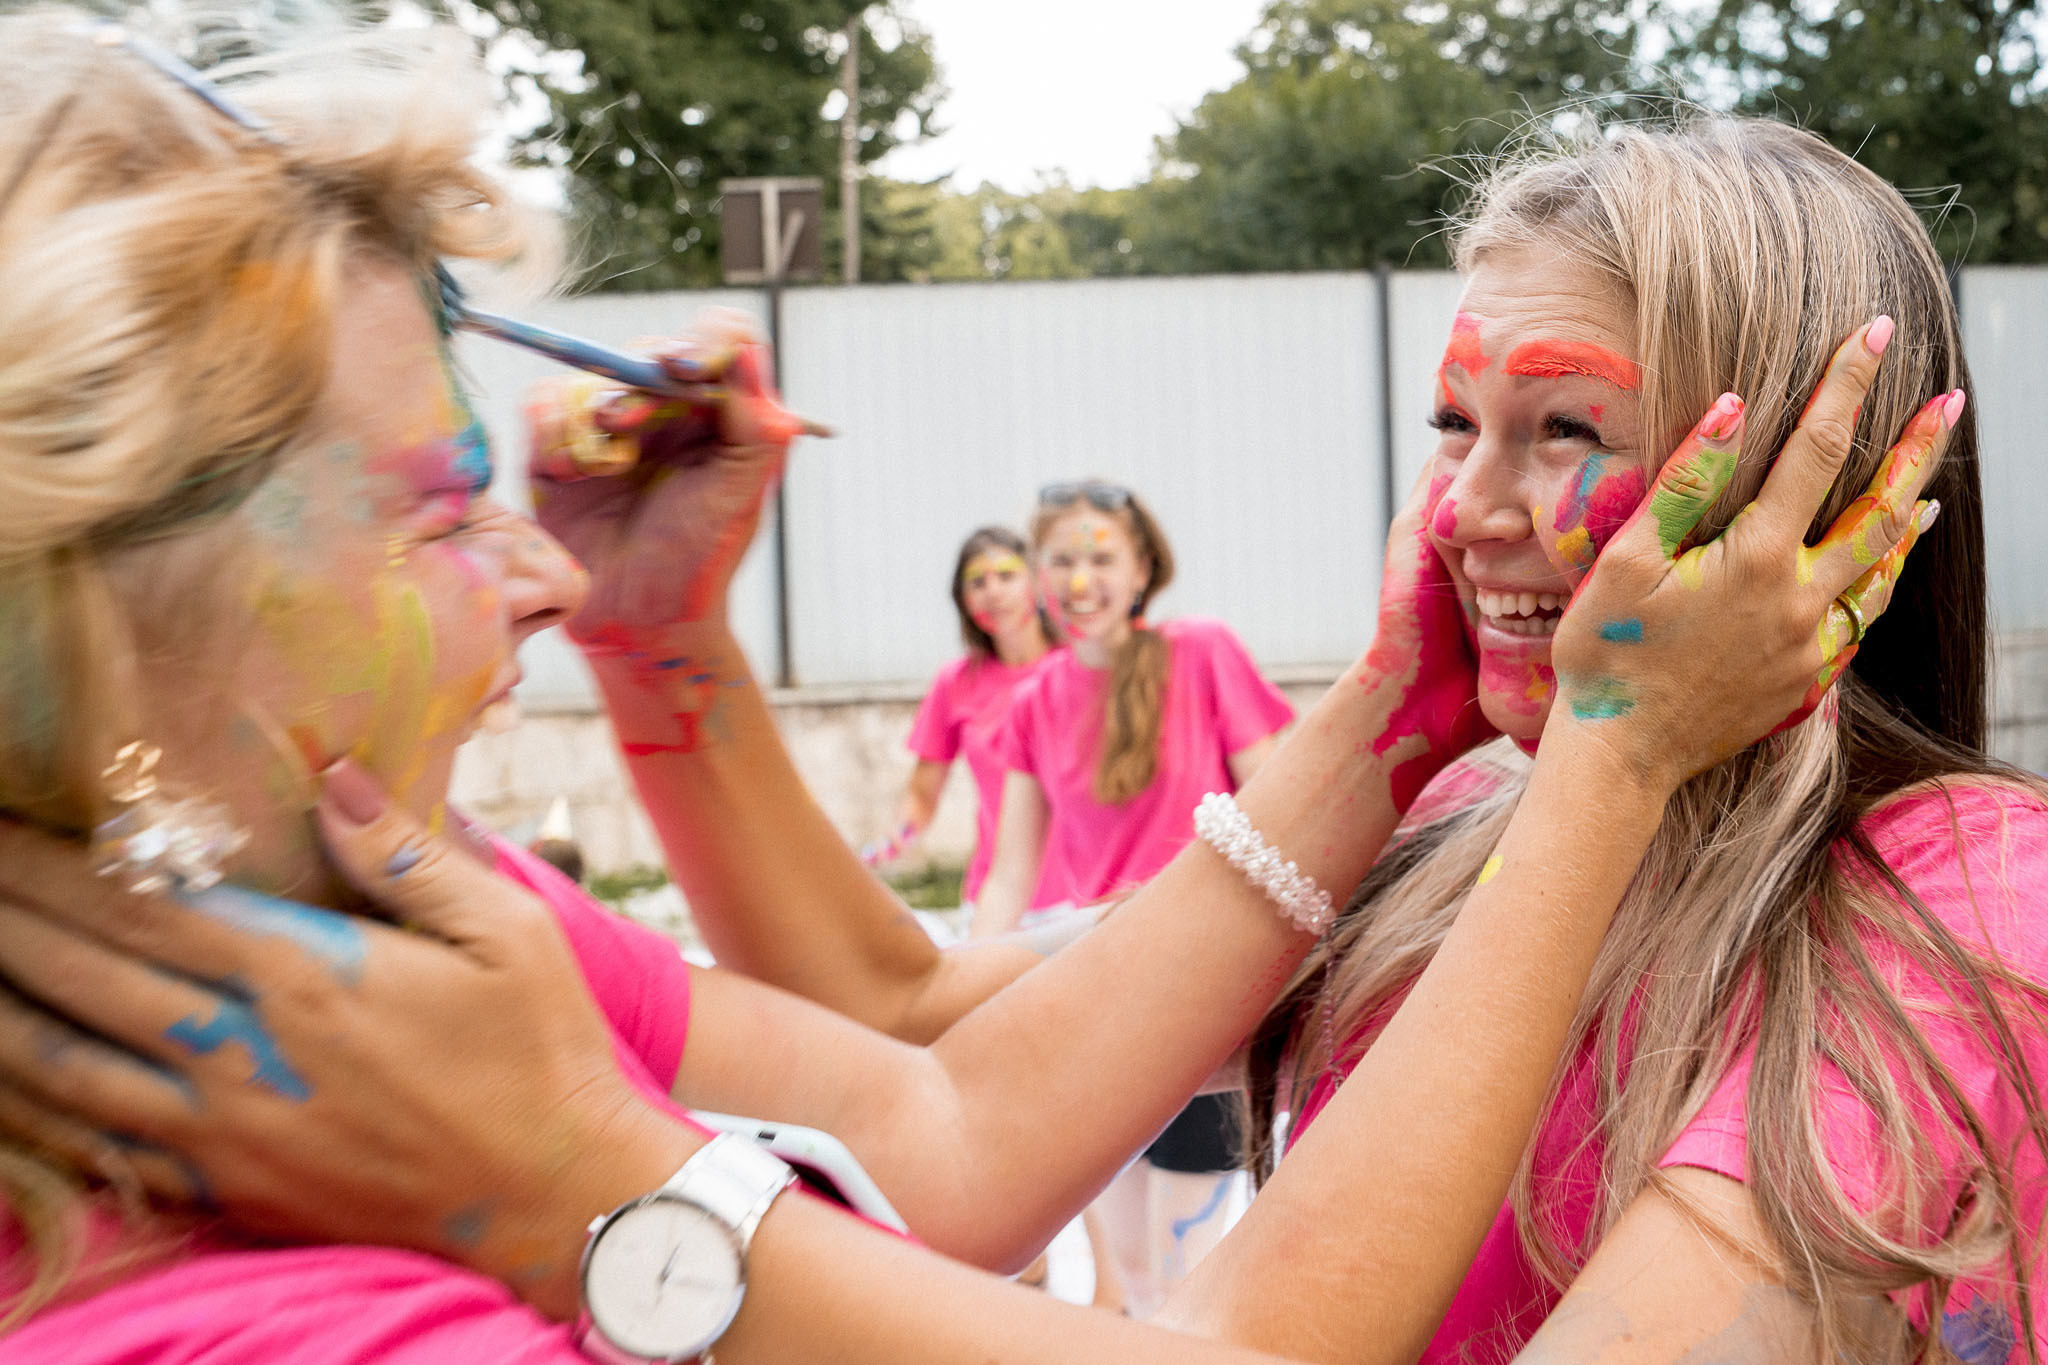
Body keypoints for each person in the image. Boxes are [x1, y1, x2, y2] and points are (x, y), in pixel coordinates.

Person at [0, 20, 1955, 1362]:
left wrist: (661, 645)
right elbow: (925, 1043)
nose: (1466, 506)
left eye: (1558, 431)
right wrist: (585, 1189)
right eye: (440, 511)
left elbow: (932, 1116)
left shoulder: (1951, 902)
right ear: (99, 657)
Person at [964, 483, 1295, 1311]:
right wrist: (960, 992)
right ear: (1040, 575)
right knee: (1132, 1278)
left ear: (1143, 568)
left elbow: (1284, 805)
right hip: (1096, 999)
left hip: (1204, 997)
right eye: (1063, 559)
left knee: (1187, 1270)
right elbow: (1010, 871)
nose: (1082, 579)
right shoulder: (1034, 699)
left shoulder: (1203, 651)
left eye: (1102, 557)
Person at [864, 526, 1051, 907]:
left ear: (1038, 581)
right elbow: (922, 794)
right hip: (997, 894)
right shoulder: (955, 682)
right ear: (963, 599)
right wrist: (897, 836)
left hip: (1085, 893)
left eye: (1006, 576)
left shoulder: (1077, 669)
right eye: (978, 582)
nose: (993, 592)